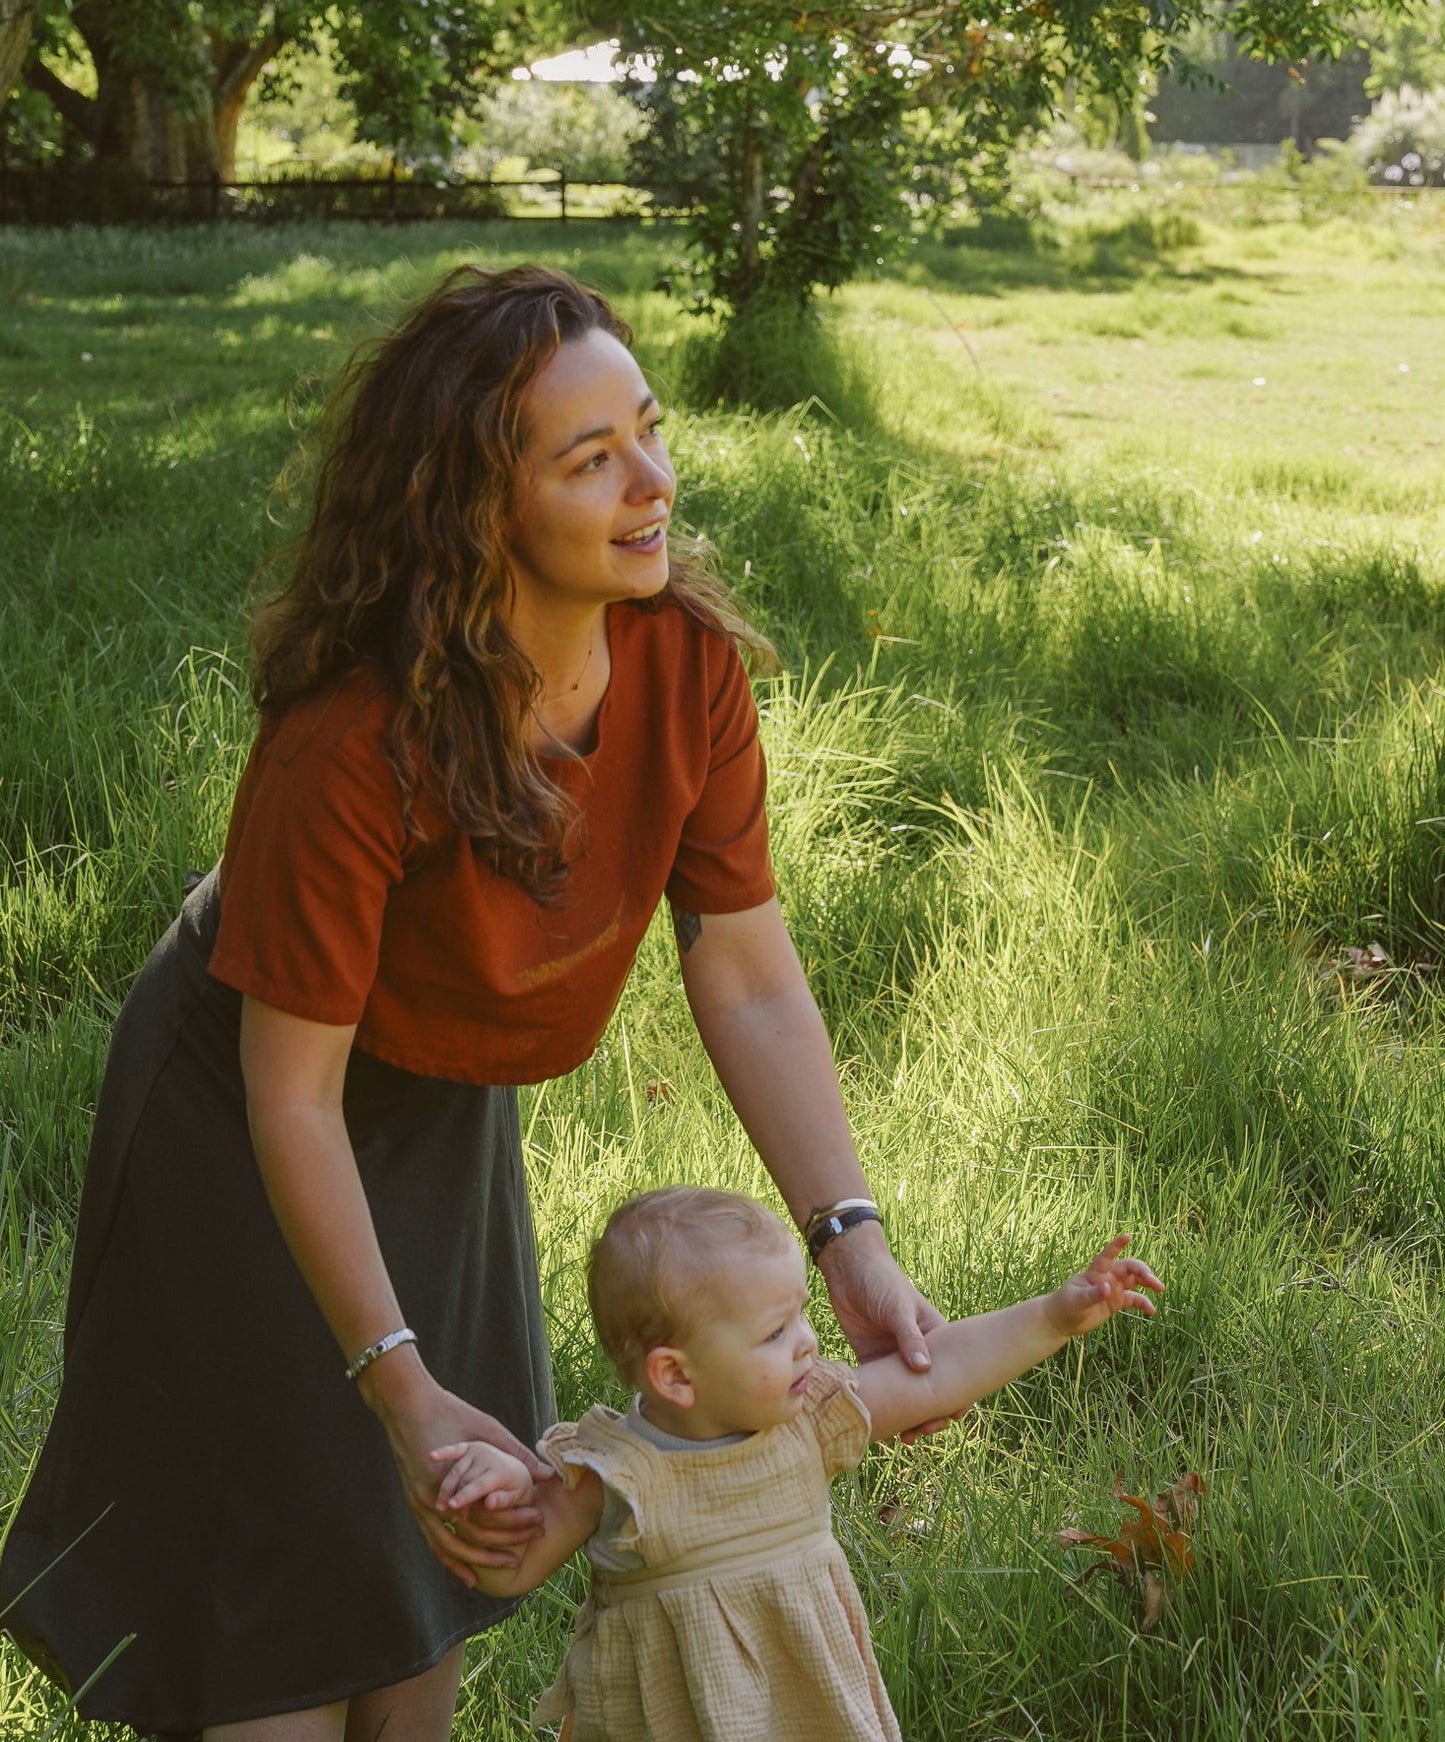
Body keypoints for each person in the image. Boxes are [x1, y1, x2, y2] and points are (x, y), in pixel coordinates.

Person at [0, 265, 947, 1742]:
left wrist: (851, 1240)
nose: (653, 482)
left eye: (647, 429)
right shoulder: (351, 745)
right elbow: (290, 1093)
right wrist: (396, 1381)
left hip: (442, 1101)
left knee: (421, 1555)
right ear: (472, 509)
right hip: (244, 1109)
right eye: (590, 460)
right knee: (291, 1584)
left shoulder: (683, 662)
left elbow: (747, 968)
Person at [428, 1187, 1165, 1742]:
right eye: (777, 1330)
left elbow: (936, 1375)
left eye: (802, 1313)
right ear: (675, 1377)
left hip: (810, 1707)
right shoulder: (614, 1469)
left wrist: (1052, 1316)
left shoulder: (807, 1414)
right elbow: (508, 1568)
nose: (809, 1343)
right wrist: (487, 1496)